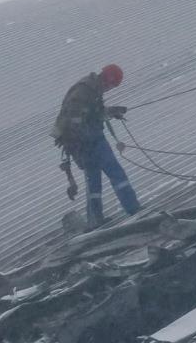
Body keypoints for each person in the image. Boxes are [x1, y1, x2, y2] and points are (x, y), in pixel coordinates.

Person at [51, 64, 141, 230]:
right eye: (112, 85)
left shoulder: (92, 89)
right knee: (116, 173)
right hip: (89, 141)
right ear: (107, 79)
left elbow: (92, 113)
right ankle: (133, 208)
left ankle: (95, 220)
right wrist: (86, 140)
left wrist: (112, 111)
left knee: (93, 181)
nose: (110, 88)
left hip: (83, 143)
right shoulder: (84, 91)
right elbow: (76, 119)